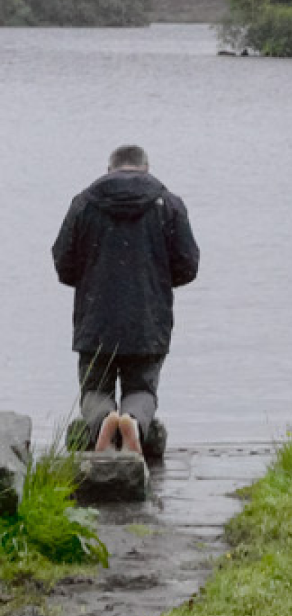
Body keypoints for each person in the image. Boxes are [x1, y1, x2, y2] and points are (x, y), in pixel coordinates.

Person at [52, 145, 200, 459]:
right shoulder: (168, 204)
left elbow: (63, 264)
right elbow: (188, 266)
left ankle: (105, 421)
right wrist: (155, 281)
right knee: (142, 390)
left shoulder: (84, 204)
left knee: (95, 390)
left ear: (109, 169)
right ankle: (131, 421)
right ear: (146, 168)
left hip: (96, 320)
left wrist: (92, 277)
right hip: (148, 319)